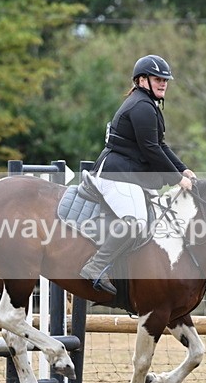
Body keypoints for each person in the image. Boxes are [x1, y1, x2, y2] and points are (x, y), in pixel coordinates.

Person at [80, 54, 197, 294]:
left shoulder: (146, 104)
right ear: (142, 80)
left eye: (165, 79)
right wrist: (177, 179)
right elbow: (151, 149)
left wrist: (182, 168)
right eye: (158, 79)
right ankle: (95, 267)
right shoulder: (141, 106)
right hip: (114, 175)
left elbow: (160, 144)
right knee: (135, 222)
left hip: (127, 174)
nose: (163, 83)